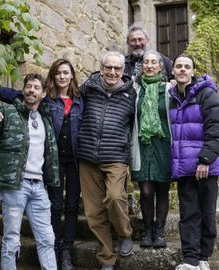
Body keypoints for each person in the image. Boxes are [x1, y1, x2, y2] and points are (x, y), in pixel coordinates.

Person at [0, 59, 83, 270]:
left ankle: (66, 252)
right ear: (53, 77)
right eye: (58, 73)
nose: (62, 77)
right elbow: (20, 96)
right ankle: (53, 249)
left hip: (74, 160)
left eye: (66, 73)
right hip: (52, 163)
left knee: (71, 206)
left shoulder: (81, 99)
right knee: (54, 206)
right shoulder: (47, 100)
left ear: (72, 76)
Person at [0, 73, 59, 270]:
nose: (31, 90)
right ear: (23, 90)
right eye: (28, 86)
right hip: (14, 186)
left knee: (47, 238)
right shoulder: (8, 112)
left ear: (44, 93)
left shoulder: (46, 119)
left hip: (39, 187)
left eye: (36, 88)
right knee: (12, 239)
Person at [168, 55, 219, 270]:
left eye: (187, 67)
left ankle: (203, 257)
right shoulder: (172, 97)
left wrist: (205, 160)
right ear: (173, 71)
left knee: (206, 213)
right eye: (179, 66)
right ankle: (191, 260)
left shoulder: (206, 94)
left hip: (206, 167)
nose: (183, 70)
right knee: (188, 215)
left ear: (193, 71)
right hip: (184, 168)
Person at [77, 50, 136, 270]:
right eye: (108, 67)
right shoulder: (88, 89)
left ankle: (124, 234)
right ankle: (107, 258)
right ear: (101, 69)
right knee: (93, 212)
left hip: (116, 156)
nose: (112, 72)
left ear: (123, 71)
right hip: (88, 156)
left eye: (117, 68)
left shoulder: (131, 94)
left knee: (113, 197)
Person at [130, 50, 172, 248]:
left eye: (153, 62)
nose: (149, 65)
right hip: (142, 145)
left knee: (162, 189)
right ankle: (147, 231)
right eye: (146, 62)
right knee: (146, 191)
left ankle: (160, 232)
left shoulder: (169, 89)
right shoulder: (136, 90)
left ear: (160, 66)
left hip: (163, 145)